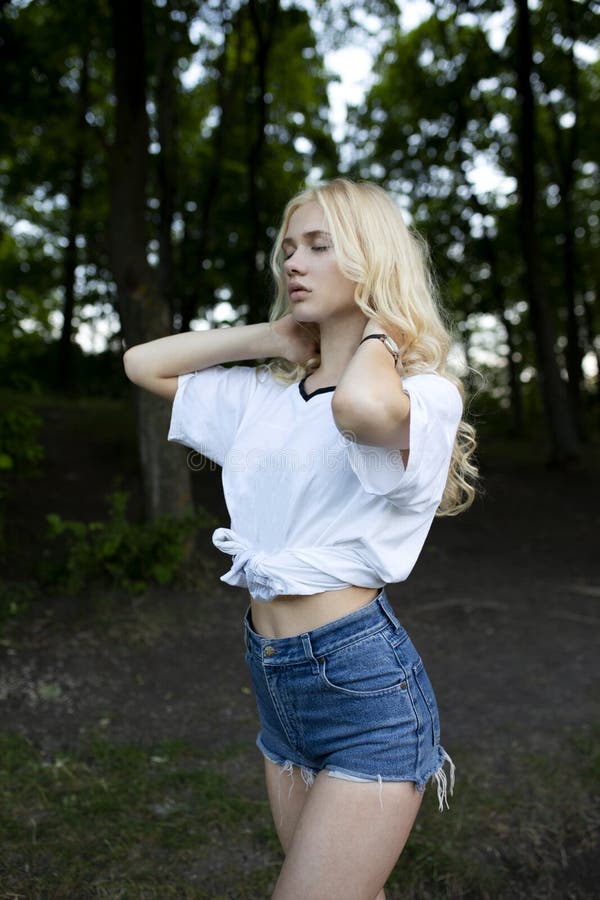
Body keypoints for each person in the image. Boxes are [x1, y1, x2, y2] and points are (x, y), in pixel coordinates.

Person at [123, 178, 477, 900]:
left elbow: (358, 405)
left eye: (320, 246)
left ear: (372, 260)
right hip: (276, 680)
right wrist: (272, 336)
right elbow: (142, 364)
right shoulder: (263, 398)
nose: (293, 262)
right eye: (288, 248)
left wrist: (378, 328)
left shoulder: (424, 396)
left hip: (363, 686)